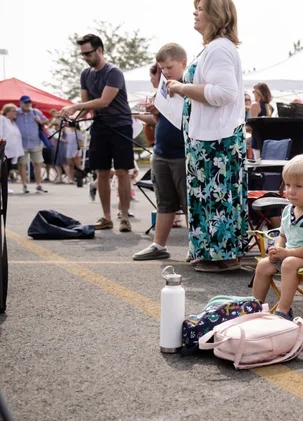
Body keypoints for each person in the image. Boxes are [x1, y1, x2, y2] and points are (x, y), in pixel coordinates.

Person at [166, 0, 247, 273]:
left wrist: (182, 86)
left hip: (216, 141)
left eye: (200, 8)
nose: (194, 12)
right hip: (209, 138)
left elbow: (224, 93)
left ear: (214, 14)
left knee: (216, 197)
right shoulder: (213, 49)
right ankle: (212, 253)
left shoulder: (219, 49)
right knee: (210, 197)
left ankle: (220, 256)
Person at [60, 34, 135, 233]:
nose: (85, 57)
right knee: (101, 172)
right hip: (99, 126)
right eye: (82, 54)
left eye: (88, 53)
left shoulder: (114, 72)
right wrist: (73, 115)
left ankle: (125, 217)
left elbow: (103, 101)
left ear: (99, 50)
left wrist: (74, 106)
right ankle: (107, 217)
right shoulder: (85, 74)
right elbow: (87, 105)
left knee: (122, 172)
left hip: (120, 126)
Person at [251, 154, 303, 321]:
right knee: (263, 265)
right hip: (291, 256)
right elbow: (282, 234)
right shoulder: (289, 210)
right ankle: (255, 307)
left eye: (298, 186)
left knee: (288, 263)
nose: (290, 191)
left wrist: (287, 253)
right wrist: (277, 247)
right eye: (287, 185)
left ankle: (283, 310)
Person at [133, 45, 190, 261]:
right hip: (161, 151)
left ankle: (194, 247)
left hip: (182, 153)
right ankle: (158, 245)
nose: (165, 72)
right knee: (164, 202)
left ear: (183, 63)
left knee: (188, 204)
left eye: (169, 67)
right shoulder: (163, 88)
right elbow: (160, 120)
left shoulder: (188, 86)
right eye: (162, 68)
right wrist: (154, 111)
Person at [15, 95, 49, 194]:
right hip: (21, 143)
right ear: (20, 103)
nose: (28, 104)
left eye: (29, 102)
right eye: (25, 102)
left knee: (38, 164)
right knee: (22, 165)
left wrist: (40, 121)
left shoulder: (36, 112)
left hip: (35, 142)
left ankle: (39, 185)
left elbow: (46, 121)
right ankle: (24, 185)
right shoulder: (16, 113)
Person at [0, 104, 25, 194]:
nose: (16, 113)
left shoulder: (13, 123)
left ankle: (4, 187)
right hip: (4, 149)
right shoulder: (2, 120)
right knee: (2, 169)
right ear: (7, 112)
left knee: (7, 169)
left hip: (11, 151)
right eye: (13, 111)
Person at [247, 82, 274, 159]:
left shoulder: (255, 105)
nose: (253, 93)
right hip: (267, 140)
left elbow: (251, 126)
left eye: (253, 91)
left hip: (257, 140)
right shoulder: (270, 107)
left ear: (258, 92)